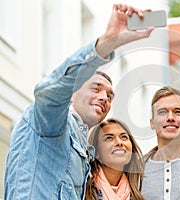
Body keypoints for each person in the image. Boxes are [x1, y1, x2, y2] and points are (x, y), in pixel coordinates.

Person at [4, 4, 153, 200]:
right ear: (72, 93)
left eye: (109, 96)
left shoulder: (83, 150)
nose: (104, 98)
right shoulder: (51, 122)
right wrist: (107, 43)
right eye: (96, 88)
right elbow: (49, 92)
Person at [141, 86, 180, 200]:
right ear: (152, 123)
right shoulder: (136, 170)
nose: (170, 117)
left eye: (177, 112)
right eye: (162, 112)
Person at [86, 118, 144, 200]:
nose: (119, 142)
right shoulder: (83, 189)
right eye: (109, 138)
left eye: (124, 137)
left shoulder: (139, 191)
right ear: (97, 153)